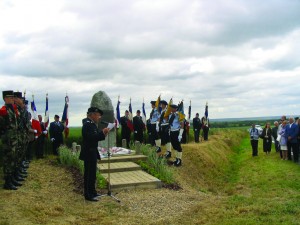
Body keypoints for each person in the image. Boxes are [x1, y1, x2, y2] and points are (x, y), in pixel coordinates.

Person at [79, 107, 110, 202]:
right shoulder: (87, 124)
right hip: (88, 151)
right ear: (92, 114)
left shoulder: (92, 124)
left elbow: (96, 137)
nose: (99, 117)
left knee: (93, 174)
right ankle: (88, 195)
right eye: (97, 115)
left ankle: (93, 192)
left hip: (92, 151)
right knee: (88, 174)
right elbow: (91, 137)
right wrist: (103, 133)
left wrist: (103, 134)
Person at [0, 90, 19, 190]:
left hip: (13, 140)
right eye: (10, 97)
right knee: (8, 161)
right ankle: (7, 182)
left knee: (13, 160)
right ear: (5, 99)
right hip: (8, 141)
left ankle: (11, 179)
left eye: (13, 97)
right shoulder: (3, 111)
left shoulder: (11, 110)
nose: (12, 99)